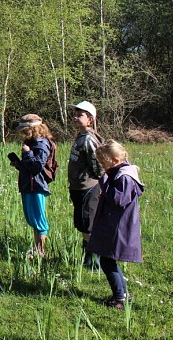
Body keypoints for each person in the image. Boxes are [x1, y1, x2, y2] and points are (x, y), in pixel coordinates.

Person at [88, 140, 144, 309]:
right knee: (108, 260)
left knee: (107, 261)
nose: (102, 166)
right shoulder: (118, 173)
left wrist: (105, 181)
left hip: (118, 228)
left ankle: (120, 297)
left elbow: (118, 199)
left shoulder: (125, 177)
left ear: (114, 160)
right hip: (113, 225)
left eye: (104, 163)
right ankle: (122, 294)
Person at [10, 114, 52, 257]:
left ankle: (41, 252)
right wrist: (19, 164)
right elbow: (29, 168)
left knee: (39, 220)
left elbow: (36, 167)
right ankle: (37, 249)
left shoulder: (41, 144)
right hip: (29, 186)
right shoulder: (33, 143)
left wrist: (27, 154)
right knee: (32, 219)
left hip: (37, 187)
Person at [68, 100, 104, 269]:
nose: (75, 118)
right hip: (79, 187)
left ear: (90, 119)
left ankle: (95, 261)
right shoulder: (81, 136)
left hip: (88, 188)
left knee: (88, 225)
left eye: (79, 115)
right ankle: (89, 259)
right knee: (83, 224)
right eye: (75, 115)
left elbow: (98, 166)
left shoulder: (89, 139)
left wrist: (99, 183)